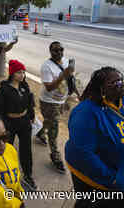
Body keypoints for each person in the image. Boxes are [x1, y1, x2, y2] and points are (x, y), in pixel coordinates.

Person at [65, 67, 124, 208]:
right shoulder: (85, 113)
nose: (121, 86)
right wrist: (112, 179)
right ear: (102, 88)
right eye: (115, 84)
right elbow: (82, 153)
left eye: (122, 82)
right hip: (99, 184)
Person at [35, 41, 77, 173]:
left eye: (61, 49)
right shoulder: (46, 67)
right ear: (50, 51)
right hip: (49, 102)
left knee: (50, 122)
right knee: (54, 128)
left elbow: (71, 81)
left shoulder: (65, 61)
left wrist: (78, 94)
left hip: (61, 100)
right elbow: (49, 87)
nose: (59, 52)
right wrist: (62, 75)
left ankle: (40, 133)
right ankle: (56, 156)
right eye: (55, 50)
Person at [0, 60, 37, 190]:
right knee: (7, 149)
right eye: (19, 72)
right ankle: (4, 172)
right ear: (12, 73)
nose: (22, 75)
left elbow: (30, 104)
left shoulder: (25, 87)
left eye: (23, 72)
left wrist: (31, 116)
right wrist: (4, 126)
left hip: (24, 123)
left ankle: (28, 174)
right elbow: (0, 110)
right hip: (9, 123)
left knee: (26, 150)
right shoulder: (4, 89)